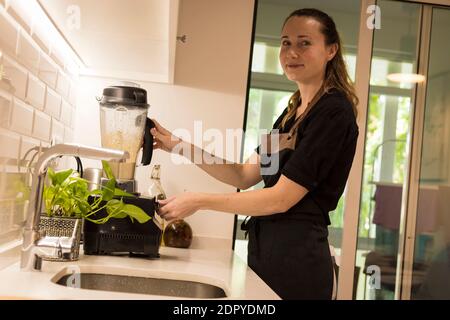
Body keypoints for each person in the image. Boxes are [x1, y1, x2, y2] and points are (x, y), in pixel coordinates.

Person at [150, 8, 359, 300]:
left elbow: (281, 198)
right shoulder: (291, 115)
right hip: (268, 256)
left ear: (331, 50)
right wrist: (177, 145)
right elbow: (244, 174)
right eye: (286, 42)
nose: (292, 52)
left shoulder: (334, 112)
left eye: (304, 43)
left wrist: (199, 200)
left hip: (299, 266)